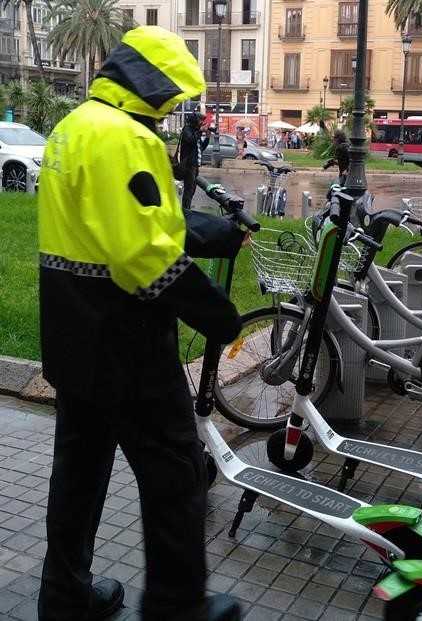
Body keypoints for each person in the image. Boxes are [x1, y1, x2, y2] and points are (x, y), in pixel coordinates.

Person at [37, 26, 243, 621]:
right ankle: (178, 605)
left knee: (78, 471)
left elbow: (112, 222)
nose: (175, 106)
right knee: (176, 471)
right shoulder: (129, 138)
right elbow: (140, 257)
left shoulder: (72, 127)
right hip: (127, 340)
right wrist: (217, 314)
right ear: (151, 82)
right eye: (174, 93)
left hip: (71, 332)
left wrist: (208, 234)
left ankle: (65, 594)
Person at [179, 110, 214, 211]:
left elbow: (200, 148)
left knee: (192, 190)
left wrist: (207, 138)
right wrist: (200, 131)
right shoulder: (187, 129)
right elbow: (190, 140)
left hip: (195, 165)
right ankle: (186, 212)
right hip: (188, 165)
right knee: (188, 190)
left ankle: (187, 210)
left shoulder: (195, 132)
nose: (201, 123)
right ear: (194, 120)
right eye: (200, 120)